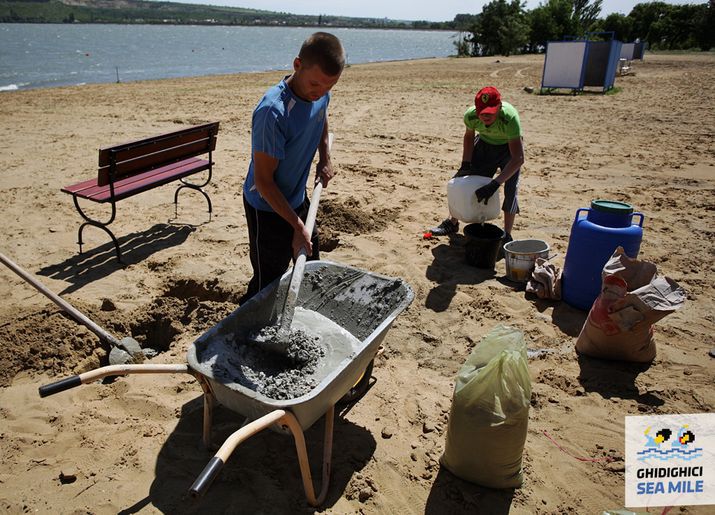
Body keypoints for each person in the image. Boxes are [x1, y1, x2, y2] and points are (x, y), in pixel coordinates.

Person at [239, 32, 345, 305]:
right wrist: (297, 227)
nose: (319, 92)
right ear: (297, 64)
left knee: (310, 264)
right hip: (266, 206)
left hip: (297, 197)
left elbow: (321, 118)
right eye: (315, 84)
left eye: (328, 86)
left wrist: (325, 157)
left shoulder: (320, 94)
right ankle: (245, 331)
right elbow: (264, 182)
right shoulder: (272, 112)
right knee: (268, 282)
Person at [428, 86, 524, 253]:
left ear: (499, 108)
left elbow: (518, 158)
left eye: (491, 112)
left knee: (510, 190)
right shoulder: (471, 116)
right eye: (482, 111)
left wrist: (495, 183)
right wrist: (466, 164)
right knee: (463, 182)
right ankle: (452, 223)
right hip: (485, 145)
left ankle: (507, 235)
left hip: (509, 149)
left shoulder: (509, 118)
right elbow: (469, 137)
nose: (485, 116)